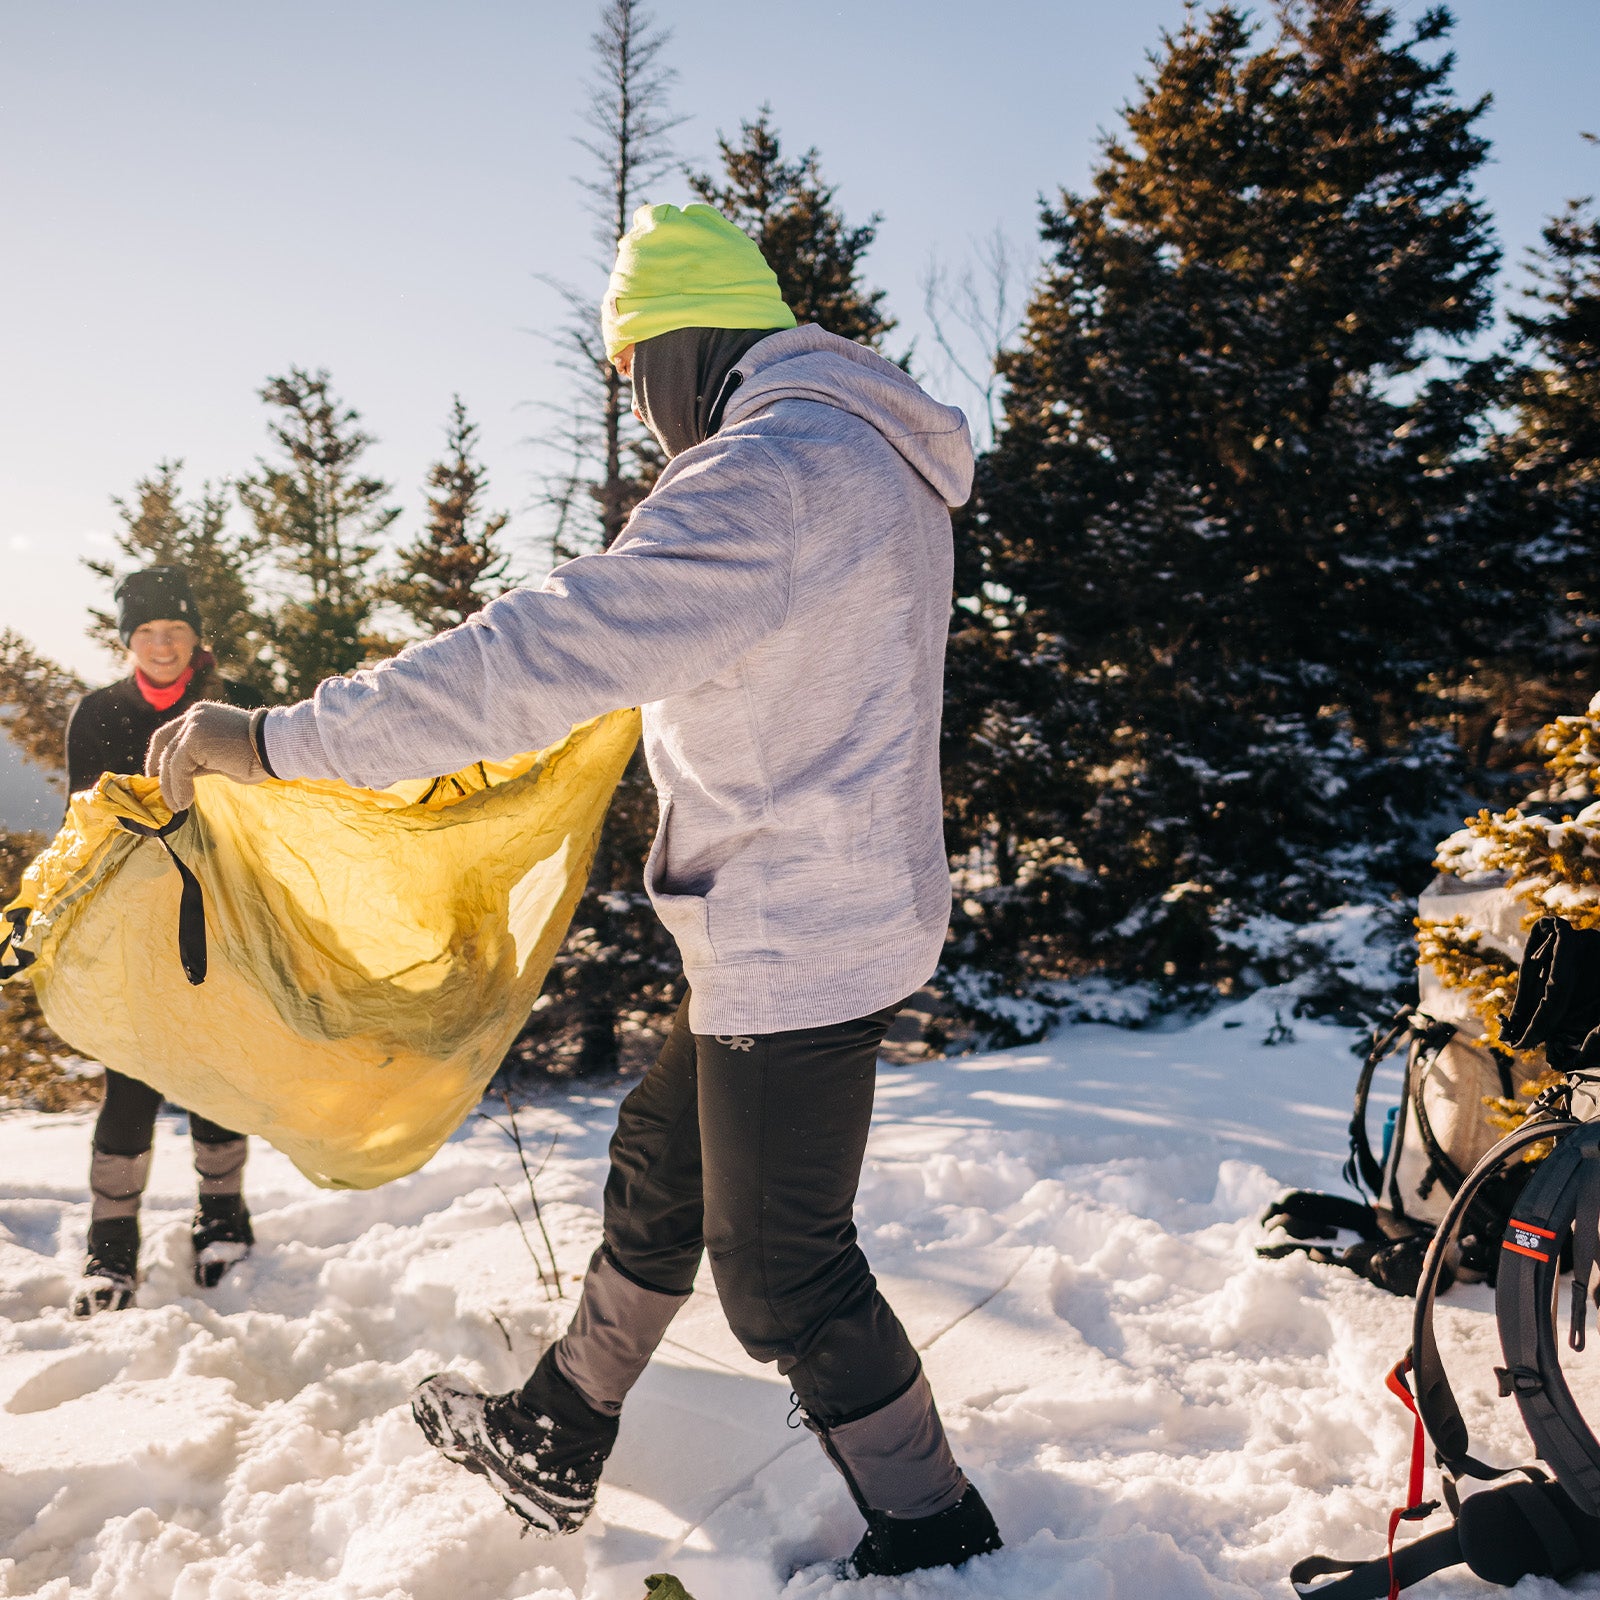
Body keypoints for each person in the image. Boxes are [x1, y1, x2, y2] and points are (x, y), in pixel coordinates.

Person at [146, 202, 1004, 1580]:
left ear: (678, 338)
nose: (638, 404)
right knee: (664, 1169)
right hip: (806, 910)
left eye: (632, 369)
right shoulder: (865, 451)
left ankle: (940, 1533)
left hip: (798, 929)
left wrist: (278, 740)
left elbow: (531, 653)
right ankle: (559, 1426)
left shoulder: (766, 472)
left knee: (784, 1273)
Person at [65, 565, 260, 1316]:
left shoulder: (233, 708)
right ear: (128, 641)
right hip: (133, 921)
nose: (162, 644)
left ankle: (223, 1219)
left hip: (221, 913)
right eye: (147, 632)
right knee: (132, 1075)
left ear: (194, 636)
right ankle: (110, 1248)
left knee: (218, 1065)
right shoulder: (98, 713)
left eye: (175, 629)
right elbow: (86, 822)